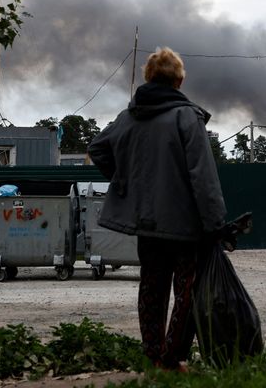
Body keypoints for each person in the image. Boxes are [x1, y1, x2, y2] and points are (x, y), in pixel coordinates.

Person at [88, 47, 226, 370]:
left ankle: (153, 355)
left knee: (152, 286)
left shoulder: (128, 117)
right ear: (178, 82)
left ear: (149, 78)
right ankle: (172, 357)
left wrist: (125, 181)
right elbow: (203, 178)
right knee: (187, 290)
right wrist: (217, 224)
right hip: (183, 225)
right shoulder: (186, 117)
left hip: (147, 224)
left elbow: (97, 148)